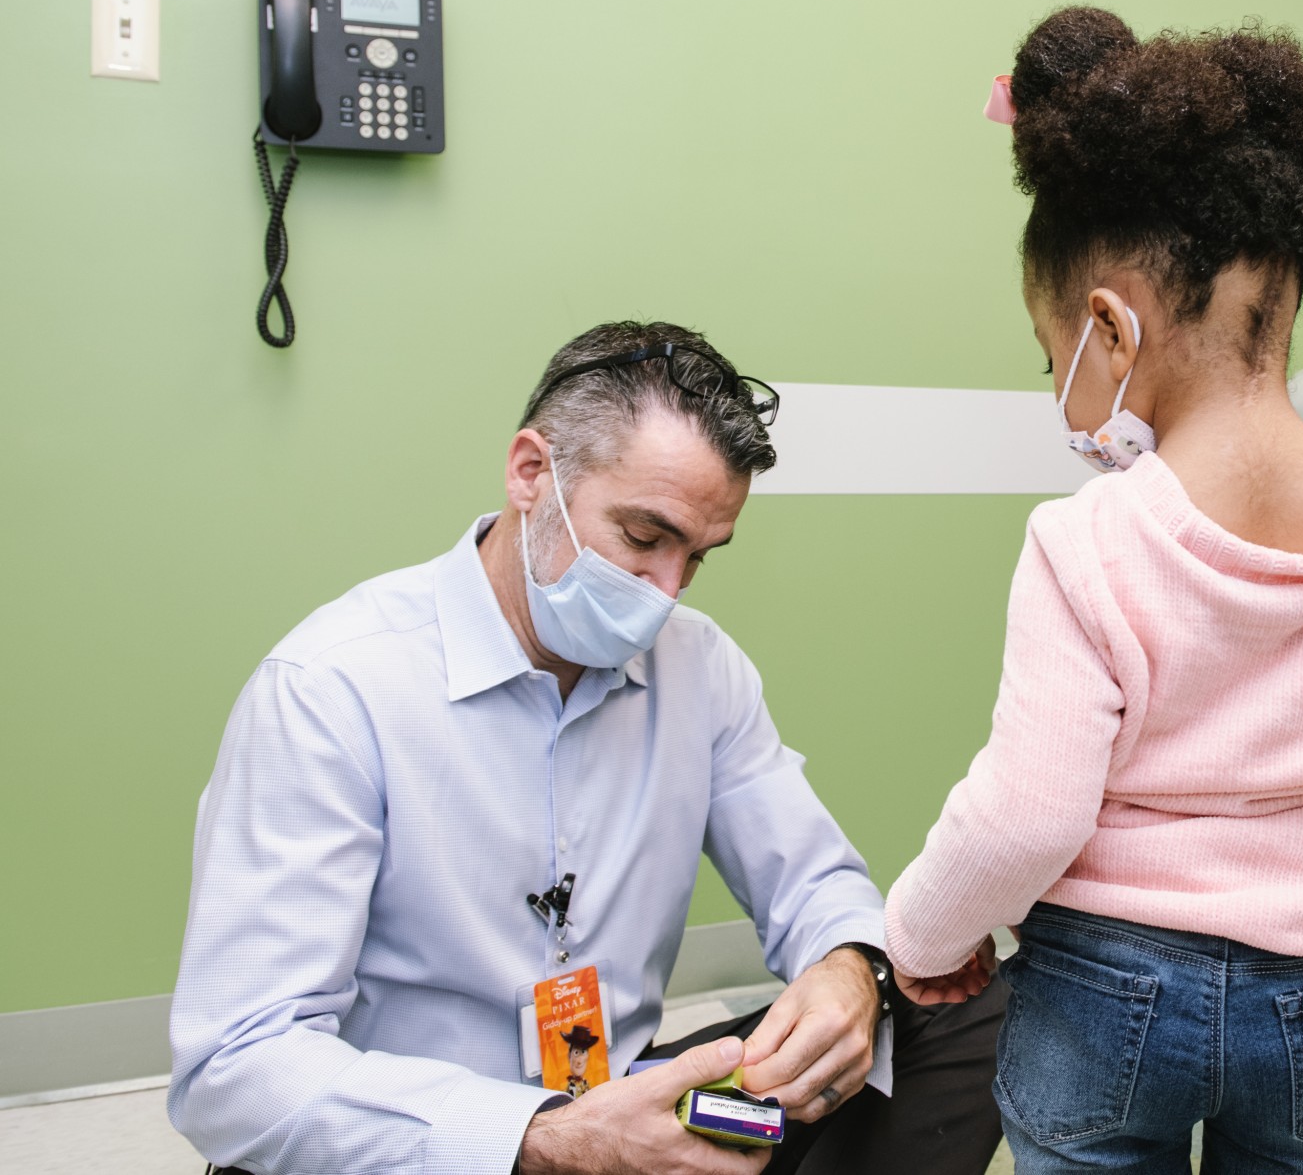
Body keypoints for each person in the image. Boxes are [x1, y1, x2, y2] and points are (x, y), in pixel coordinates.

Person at [882, 7, 1303, 1175]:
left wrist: (918, 932)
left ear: (1107, 326)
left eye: (1048, 355)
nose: (1054, 387)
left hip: (1101, 995)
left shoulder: (1085, 541)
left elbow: (1024, 814)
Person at [167, 321, 1006, 1175]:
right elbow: (235, 1069)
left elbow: (811, 876)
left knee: (949, 1003)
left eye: (698, 557)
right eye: (644, 538)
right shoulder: (331, 689)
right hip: (431, 1144)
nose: (666, 592)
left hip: (617, 1102)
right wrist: (545, 1139)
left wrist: (847, 969)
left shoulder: (699, 665)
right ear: (532, 473)